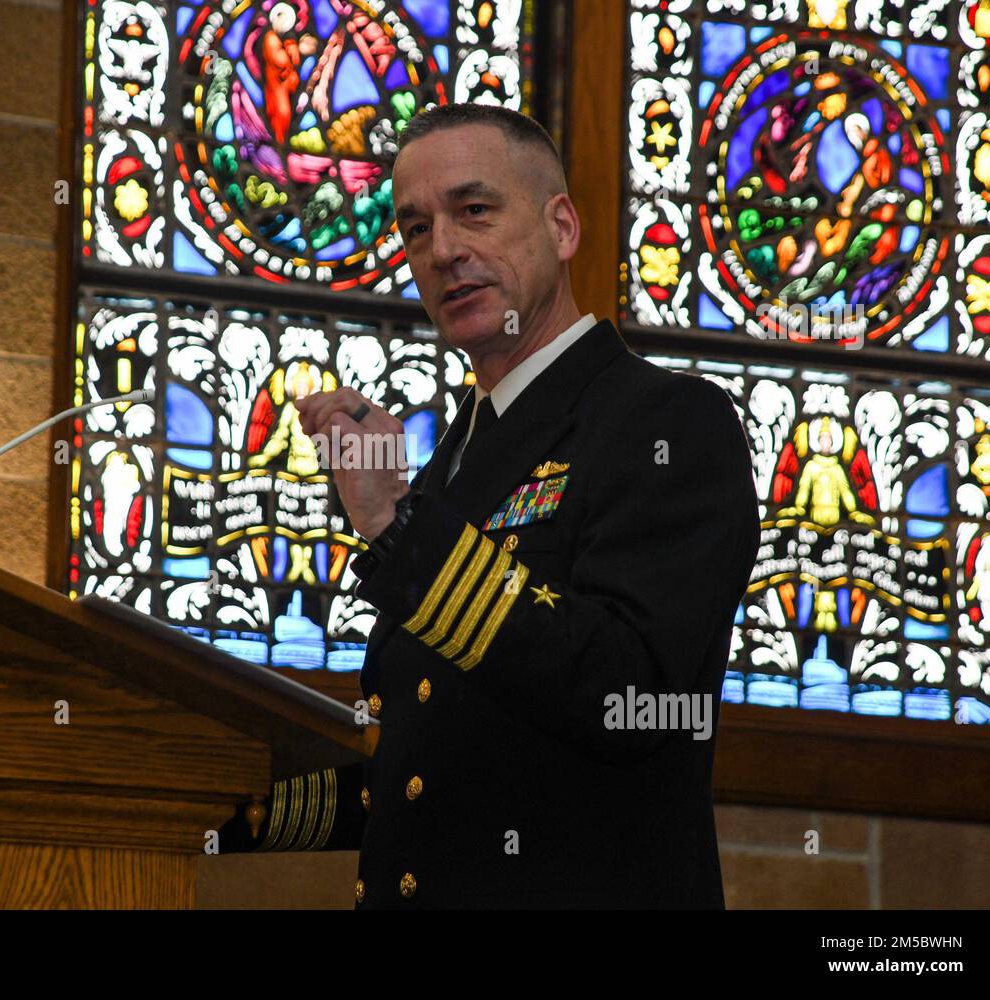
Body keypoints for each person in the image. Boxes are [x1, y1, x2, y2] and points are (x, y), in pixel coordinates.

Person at [217, 103, 761, 909]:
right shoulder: (456, 460)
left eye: (474, 210)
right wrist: (197, 792)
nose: (443, 251)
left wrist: (400, 528)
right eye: (413, 228)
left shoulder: (666, 422)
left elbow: (630, 698)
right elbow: (427, 765)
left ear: (563, 226)